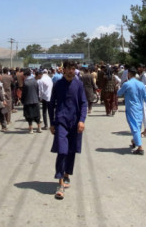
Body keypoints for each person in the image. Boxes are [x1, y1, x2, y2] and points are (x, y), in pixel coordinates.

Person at [48, 61, 87, 200]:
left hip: (75, 123)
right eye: (69, 69)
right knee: (62, 151)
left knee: (72, 150)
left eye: (73, 69)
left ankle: (66, 174)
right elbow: (51, 104)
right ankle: (60, 183)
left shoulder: (78, 84)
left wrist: (82, 120)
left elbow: (83, 103)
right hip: (61, 122)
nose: (71, 71)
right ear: (63, 70)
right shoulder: (58, 85)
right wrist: (52, 123)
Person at [117, 66, 146, 155]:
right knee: (138, 126)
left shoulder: (127, 84)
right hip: (139, 108)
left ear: (128, 74)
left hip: (131, 108)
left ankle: (140, 147)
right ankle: (135, 141)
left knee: (134, 127)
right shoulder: (141, 84)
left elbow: (119, 93)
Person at [21, 68, 42, 133]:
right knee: (37, 115)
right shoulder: (35, 81)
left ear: (25, 75)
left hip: (28, 101)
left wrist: (22, 100)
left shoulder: (25, 82)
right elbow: (37, 91)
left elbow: (24, 93)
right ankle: (39, 128)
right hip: (35, 100)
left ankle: (31, 129)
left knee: (29, 116)